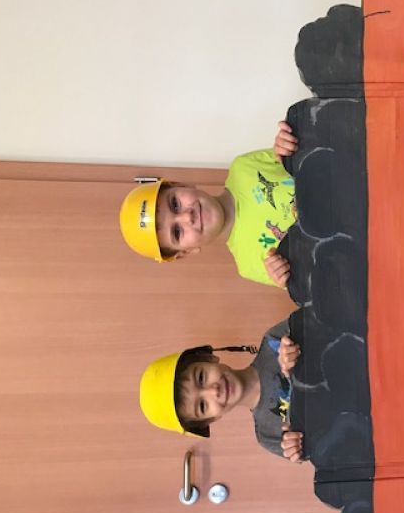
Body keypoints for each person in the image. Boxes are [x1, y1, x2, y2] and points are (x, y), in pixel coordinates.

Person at [119, 122, 298, 287]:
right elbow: (309, 283)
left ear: (181, 185)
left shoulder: (244, 166)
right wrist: (288, 276)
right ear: (186, 252)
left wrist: (286, 143)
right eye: (177, 232)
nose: (187, 216)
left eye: (175, 204)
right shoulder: (249, 265)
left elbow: (298, 154)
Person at [139, 320, 305, 461]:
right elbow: (315, 452)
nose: (213, 391)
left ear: (208, 358)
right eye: (202, 405)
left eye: (201, 377)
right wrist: (299, 447)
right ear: (211, 419)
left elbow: (318, 317)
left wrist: (299, 351)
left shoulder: (274, 342)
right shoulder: (267, 435)